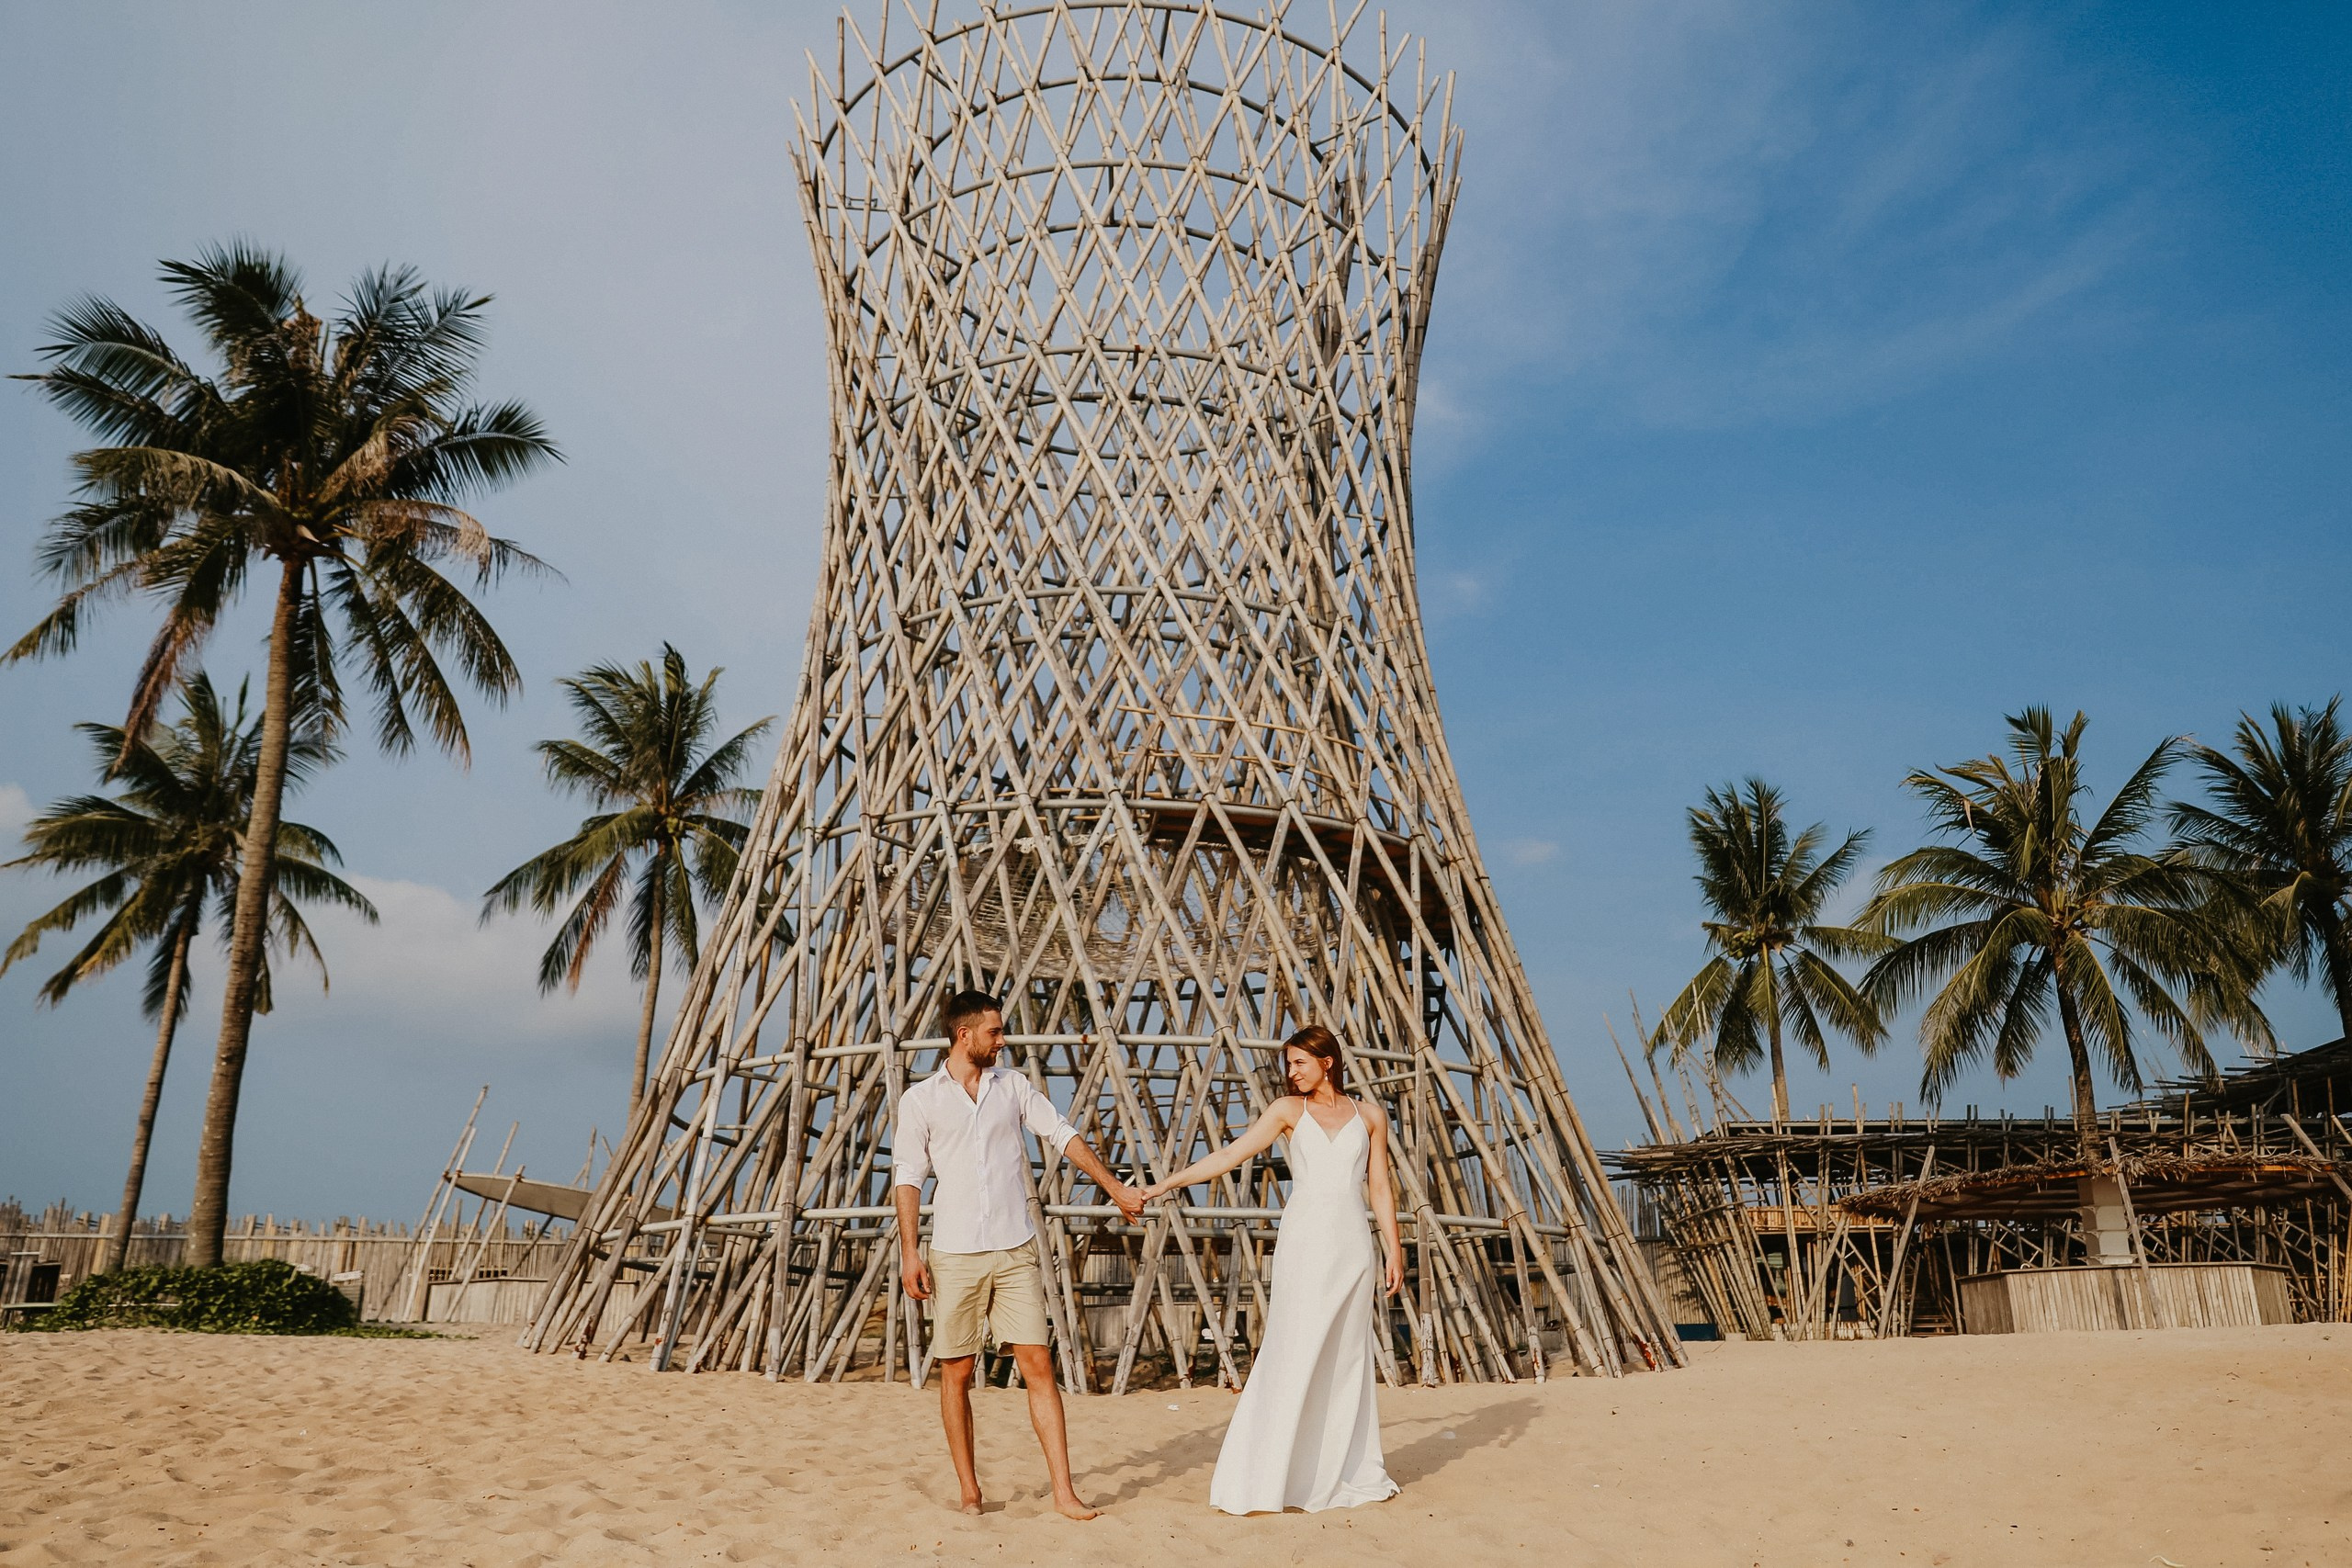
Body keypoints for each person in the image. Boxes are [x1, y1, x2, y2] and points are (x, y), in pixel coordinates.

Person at [893, 989, 1145, 1520]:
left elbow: (1061, 1135)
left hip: (1014, 1246)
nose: (1003, 1041)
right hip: (955, 1252)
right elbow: (909, 1178)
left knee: (1038, 1364)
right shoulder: (920, 1100)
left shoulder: (1015, 1087)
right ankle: (969, 1490)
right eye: (994, 1032)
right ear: (965, 1035)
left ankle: (1063, 1492)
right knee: (957, 1371)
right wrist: (909, 1251)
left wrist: (1115, 1188)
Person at [1138, 1023, 1405, 1515]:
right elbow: (1229, 1155)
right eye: (1288, 1063)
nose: (1291, 1072)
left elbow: (1380, 1188)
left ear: (1327, 1061)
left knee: (1346, 1359)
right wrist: (1164, 1185)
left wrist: (1394, 1247)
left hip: (1352, 1248)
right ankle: (1269, 1473)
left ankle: (1336, 1470)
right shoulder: (1287, 1111)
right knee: (1292, 1349)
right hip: (1304, 1246)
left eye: (1300, 1062)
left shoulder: (1370, 1116)